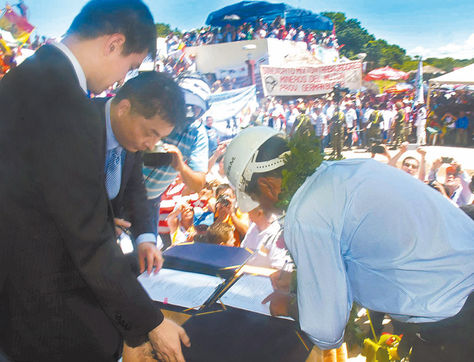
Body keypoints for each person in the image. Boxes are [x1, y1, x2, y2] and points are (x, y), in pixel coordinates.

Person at [0, 1, 189, 360]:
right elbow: (85, 240)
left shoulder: (27, 77)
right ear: (113, 44)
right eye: (130, 66)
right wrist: (149, 322)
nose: (122, 80)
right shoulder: (69, 105)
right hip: (43, 310)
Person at [223, 126, 474, 362]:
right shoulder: (347, 169)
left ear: (267, 187)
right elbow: (370, 255)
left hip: (455, 320)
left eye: (255, 199)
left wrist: (288, 303)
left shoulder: (306, 213)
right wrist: (304, 280)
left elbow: (327, 332)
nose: (261, 209)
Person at [94, 71, 186, 273]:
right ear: (124, 109)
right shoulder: (76, 125)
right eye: (150, 133)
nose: (150, 144)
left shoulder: (130, 137)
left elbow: (134, 188)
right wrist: (98, 226)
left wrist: (146, 240)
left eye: (159, 138)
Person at [143, 72, 210, 243]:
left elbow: (198, 184)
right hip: (120, 192)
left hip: (150, 201)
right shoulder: (153, 112)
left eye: (194, 107)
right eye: (184, 103)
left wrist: (180, 165)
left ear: (203, 110)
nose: (187, 110)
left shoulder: (197, 133)